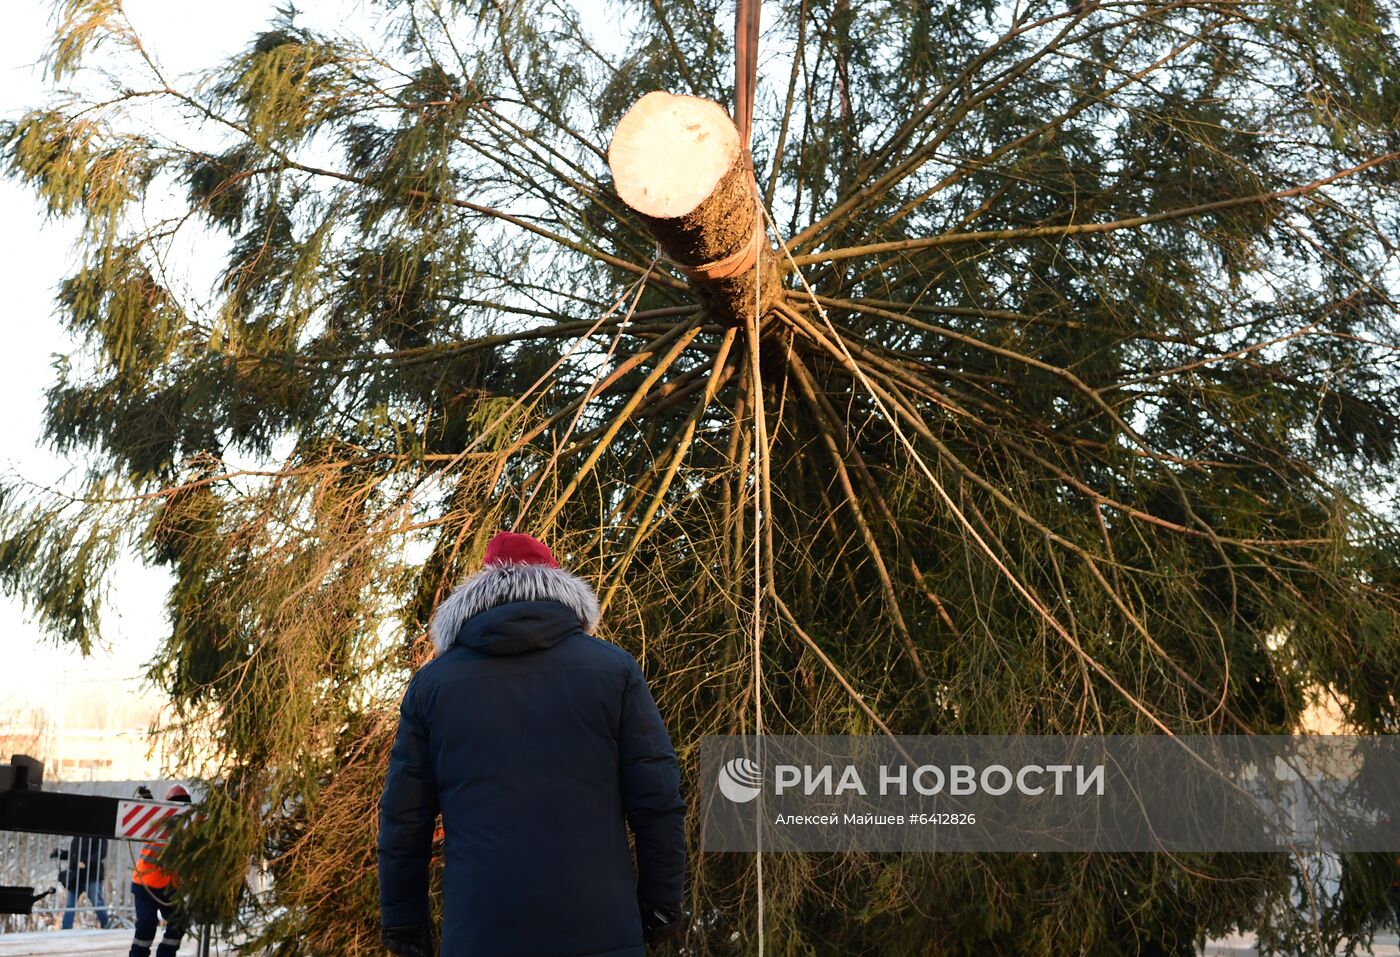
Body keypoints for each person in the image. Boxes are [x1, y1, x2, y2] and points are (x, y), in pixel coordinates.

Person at [378, 531, 688, 957]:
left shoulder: (433, 687)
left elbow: (404, 820)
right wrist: (662, 901)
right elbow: (657, 799)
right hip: (600, 931)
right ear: (559, 588)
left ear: (477, 594)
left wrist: (403, 921)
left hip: (481, 936)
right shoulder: (613, 670)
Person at [129, 784, 192, 957]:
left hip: (170, 888)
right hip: (145, 885)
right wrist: (148, 799)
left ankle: (165, 954)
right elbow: (152, 815)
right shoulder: (158, 820)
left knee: (179, 922)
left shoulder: (190, 826)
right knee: (146, 924)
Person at [59, 834, 111, 929]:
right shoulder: (78, 836)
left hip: (92, 874)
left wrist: (86, 862)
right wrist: (61, 854)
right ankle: (66, 928)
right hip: (75, 876)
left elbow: (102, 852)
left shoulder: (100, 834)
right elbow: (74, 853)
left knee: (97, 901)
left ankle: (107, 925)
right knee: (70, 904)